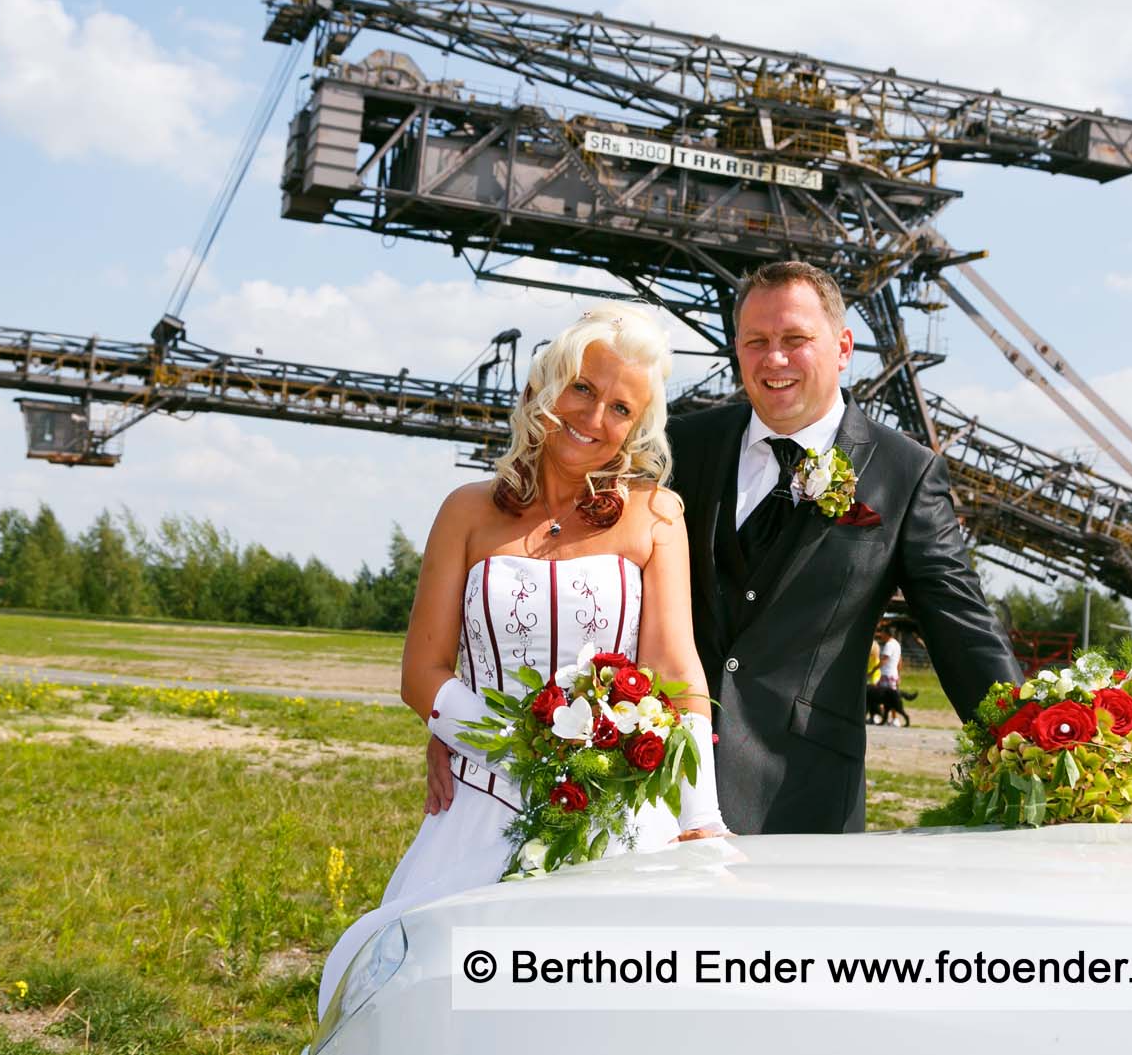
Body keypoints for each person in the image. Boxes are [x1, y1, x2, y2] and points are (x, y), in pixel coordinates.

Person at [318, 301, 727, 1017]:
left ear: (636, 428)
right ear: (547, 382)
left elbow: (675, 664)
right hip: (479, 804)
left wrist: (703, 819)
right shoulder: (465, 510)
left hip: (620, 809)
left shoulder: (658, 514)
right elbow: (423, 673)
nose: (595, 417)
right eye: (583, 388)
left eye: (620, 408)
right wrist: (524, 751)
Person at [664, 260, 1020, 832]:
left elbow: (961, 627)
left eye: (795, 339)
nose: (774, 359)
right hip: (664, 789)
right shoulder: (684, 445)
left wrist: (1042, 741)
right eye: (756, 341)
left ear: (843, 347)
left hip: (804, 800)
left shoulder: (906, 473)